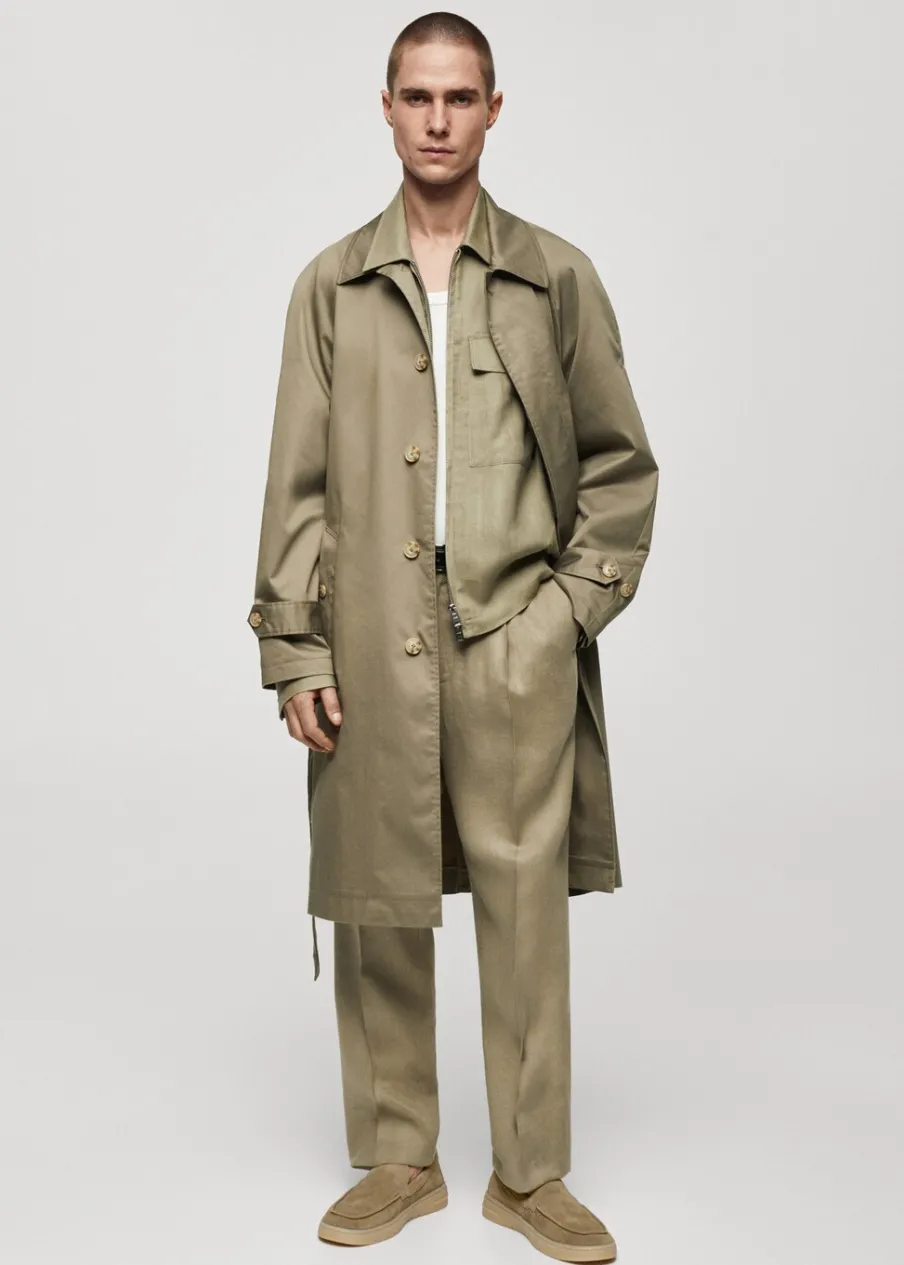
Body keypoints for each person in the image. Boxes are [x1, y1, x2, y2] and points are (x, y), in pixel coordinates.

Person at [248, 11, 658, 1260]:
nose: (437, 119)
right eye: (417, 96)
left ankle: (530, 1175)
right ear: (385, 108)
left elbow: (619, 467)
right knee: (377, 891)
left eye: (459, 97)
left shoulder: (553, 275)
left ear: (492, 110)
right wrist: (296, 648)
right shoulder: (331, 284)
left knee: (524, 902)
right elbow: (297, 483)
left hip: (509, 627)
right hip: (368, 628)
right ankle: (399, 1156)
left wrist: (561, 619)